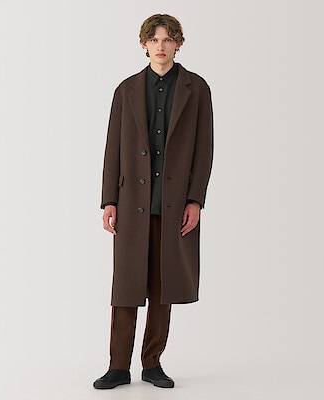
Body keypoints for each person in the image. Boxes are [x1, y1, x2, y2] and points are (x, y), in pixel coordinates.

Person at [93, 13, 213, 390]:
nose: (161, 46)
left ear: (179, 44)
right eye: (155, 39)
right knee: (126, 286)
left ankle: (152, 363)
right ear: (144, 44)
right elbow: (113, 148)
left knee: (164, 287)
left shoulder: (197, 89)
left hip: (174, 204)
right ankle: (117, 366)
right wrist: (109, 200)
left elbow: (204, 150)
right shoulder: (126, 90)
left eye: (168, 39)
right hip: (131, 202)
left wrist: (195, 200)